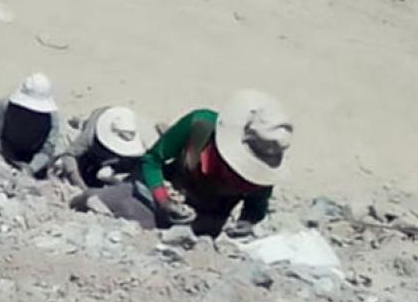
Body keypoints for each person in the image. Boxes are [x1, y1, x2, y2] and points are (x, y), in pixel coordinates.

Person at [86, 90, 291, 236]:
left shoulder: (264, 169)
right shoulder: (200, 126)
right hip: (161, 195)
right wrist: (164, 200)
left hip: (203, 222)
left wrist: (245, 223)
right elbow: (151, 160)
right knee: (111, 203)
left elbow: (256, 207)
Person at [0, 73, 65, 174]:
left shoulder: (52, 119)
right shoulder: (4, 106)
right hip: (3, 151)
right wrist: (8, 159)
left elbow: (47, 150)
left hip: (32, 159)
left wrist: (30, 169)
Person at [50, 105, 147, 189]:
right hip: (93, 144)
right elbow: (69, 156)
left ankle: (81, 123)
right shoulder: (90, 136)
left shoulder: (134, 137)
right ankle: (81, 124)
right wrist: (80, 185)